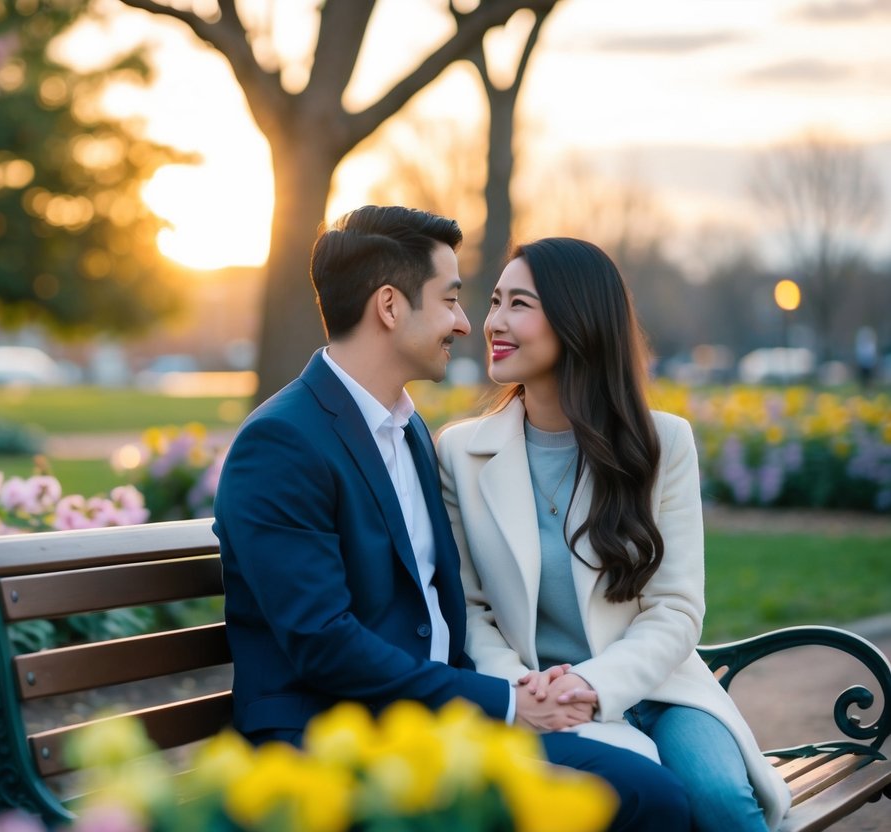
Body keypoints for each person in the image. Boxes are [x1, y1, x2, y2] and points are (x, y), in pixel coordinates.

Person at [214, 207, 689, 832]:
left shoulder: (407, 428)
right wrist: (506, 702)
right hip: (333, 738)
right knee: (643, 797)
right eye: (452, 299)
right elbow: (323, 642)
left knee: (650, 790)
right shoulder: (283, 443)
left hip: (435, 720)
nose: (467, 324)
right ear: (389, 306)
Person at [436, 237, 791, 831]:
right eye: (495, 302)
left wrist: (592, 683)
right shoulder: (462, 452)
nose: (493, 322)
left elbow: (676, 608)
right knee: (640, 799)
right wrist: (526, 694)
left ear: (577, 322)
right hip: (541, 699)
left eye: (518, 304)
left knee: (721, 804)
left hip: (660, 690)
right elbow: (470, 611)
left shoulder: (661, 444)